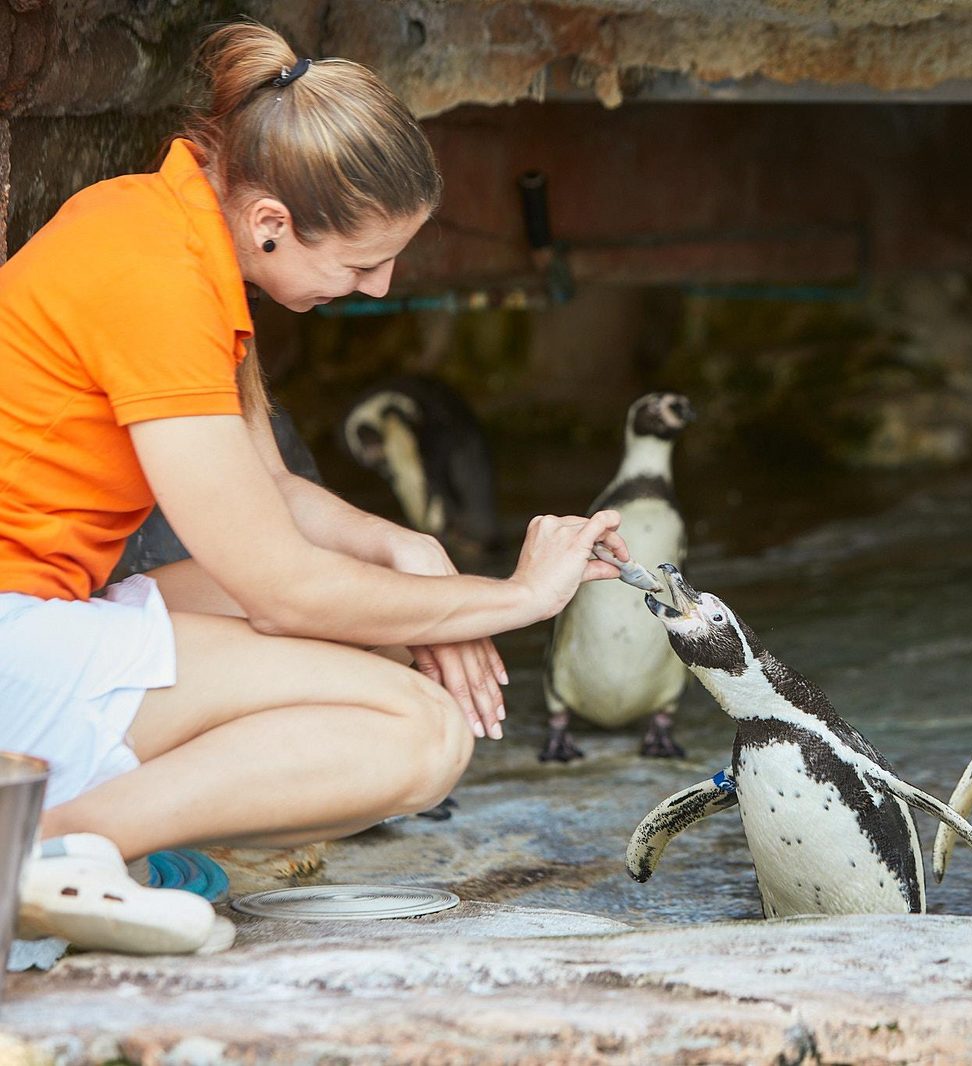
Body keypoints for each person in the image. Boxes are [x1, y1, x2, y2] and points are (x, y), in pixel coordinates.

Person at [0, 21, 630, 955]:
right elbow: (281, 588)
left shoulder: (167, 225)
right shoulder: (158, 281)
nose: (378, 289)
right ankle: (49, 849)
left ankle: (84, 829)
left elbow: (269, 495)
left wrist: (409, 564)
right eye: (361, 264)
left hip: (41, 611)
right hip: (18, 638)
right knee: (417, 737)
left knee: (382, 645)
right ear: (271, 225)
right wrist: (514, 597)